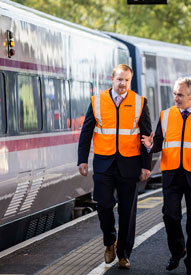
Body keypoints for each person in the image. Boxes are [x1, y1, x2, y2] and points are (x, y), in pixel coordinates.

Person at [141, 77, 191, 275]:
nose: (175, 98)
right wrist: (150, 145)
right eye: (174, 94)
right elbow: (159, 142)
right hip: (172, 174)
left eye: (180, 95)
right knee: (169, 215)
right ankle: (178, 251)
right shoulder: (166, 115)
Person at [78, 64, 152, 269]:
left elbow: (147, 137)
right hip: (104, 163)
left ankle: (124, 254)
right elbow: (86, 132)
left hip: (130, 164)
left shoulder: (139, 102)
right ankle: (110, 241)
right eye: (120, 79)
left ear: (130, 80)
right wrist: (82, 160)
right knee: (103, 205)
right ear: (112, 79)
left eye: (127, 80)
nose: (123, 84)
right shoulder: (97, 101)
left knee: (128, 211)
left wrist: (146, 166)